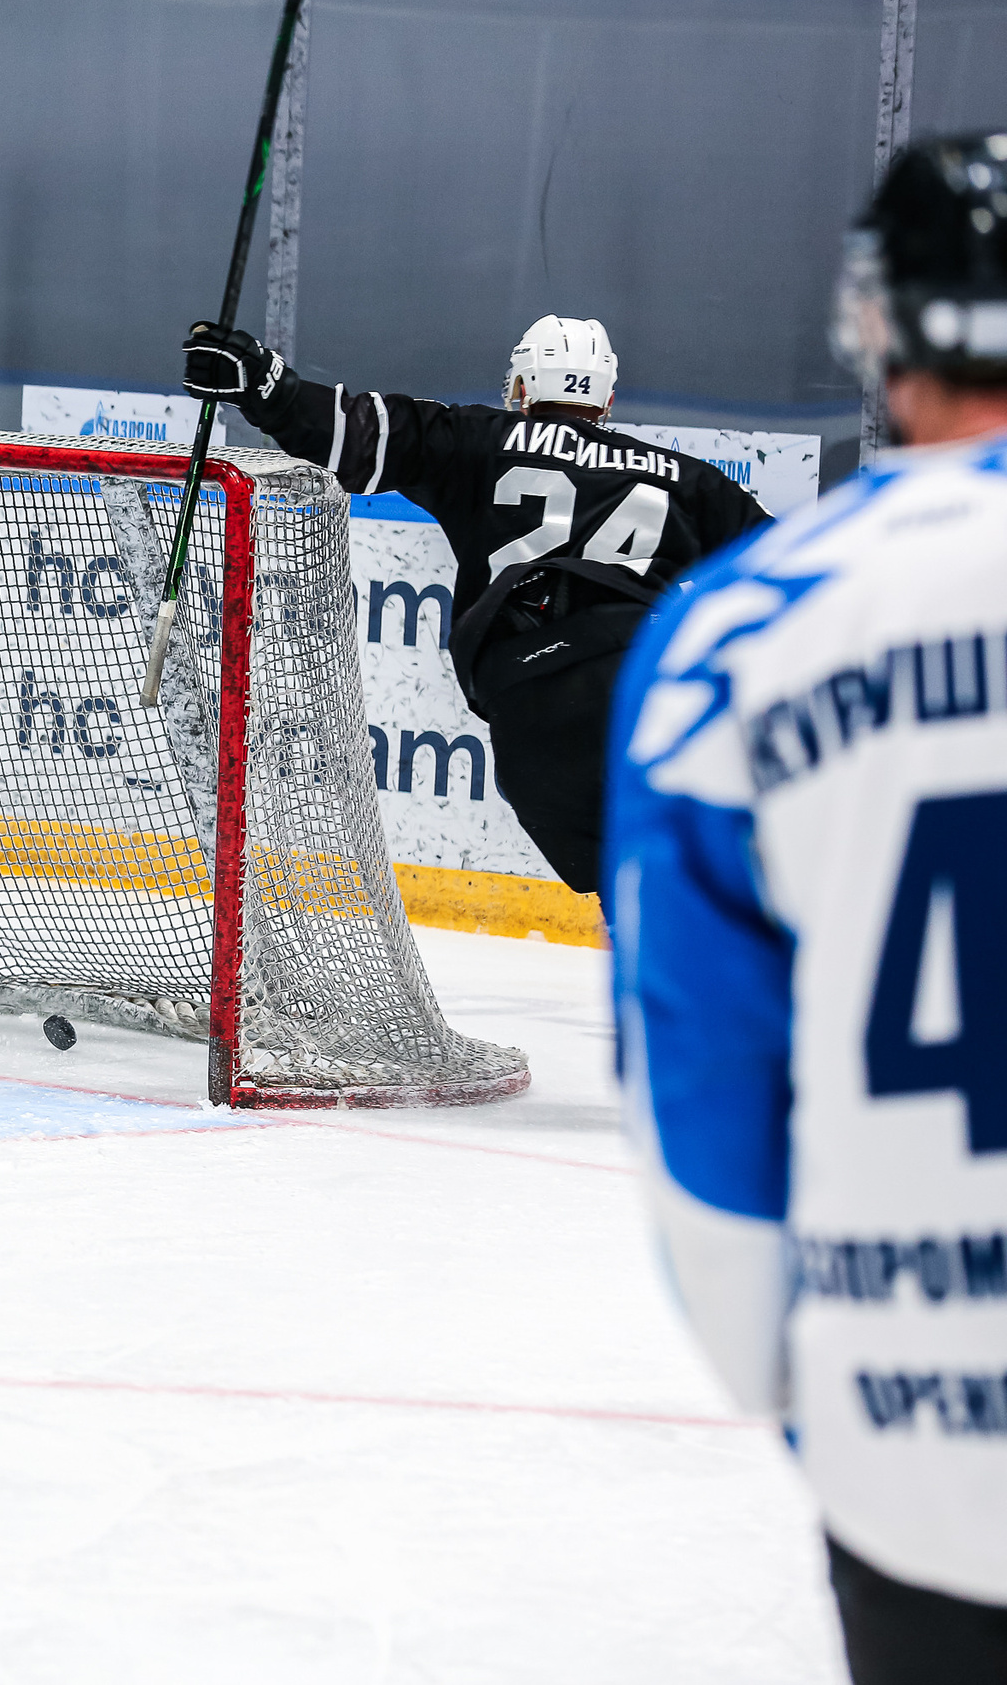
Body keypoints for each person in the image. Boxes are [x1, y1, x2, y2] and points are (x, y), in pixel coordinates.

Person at [609, 132, 1007, 1681]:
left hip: (916, 1454)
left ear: (880, 323)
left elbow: (702, 1103)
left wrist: (819, 1390)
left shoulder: (736, 637)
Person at [183, 312, 770, 895]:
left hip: (527, 698)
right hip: (642, 683)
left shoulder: (476, 440)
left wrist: (260, 382)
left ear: (520, 388)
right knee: (661, 879)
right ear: (607, 397)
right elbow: (792, 568)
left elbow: (350, 432)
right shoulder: (690, 482)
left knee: (616, 879)